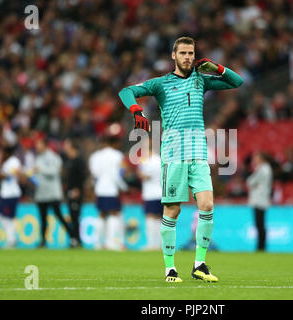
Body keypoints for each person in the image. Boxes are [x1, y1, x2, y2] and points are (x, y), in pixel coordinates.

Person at [119, 36, 243, 282]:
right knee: (173, 210)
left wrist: (217, 68)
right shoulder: (161, 84)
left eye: (191, 53)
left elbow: (236, 81)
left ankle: (200, 265)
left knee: (207, 205)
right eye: (183, 53)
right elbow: (127, 91)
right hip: (174, 154)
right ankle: (170, 269)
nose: (188, 57)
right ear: (173, 56)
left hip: (198, 154)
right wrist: (136, 111)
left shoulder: (201, 81)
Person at [33, 137, 76, 248]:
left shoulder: (53, 157)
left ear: (45, 145)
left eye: (39, 144)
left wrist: (40, 169)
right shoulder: (38, 158)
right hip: (41, 193)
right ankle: (43, 241)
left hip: (52, 193)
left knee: (59, 216)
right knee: (42, 218)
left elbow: (54, 172)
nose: (36, 146)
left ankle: (73, 237)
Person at [89, 135, 128, 250]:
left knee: (101, 214)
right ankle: (111, 242)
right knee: (113, 214)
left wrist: (95, 187)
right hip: (112, 189)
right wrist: (124, 187)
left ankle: (97, 243)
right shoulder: (117, 156)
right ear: (114, 144)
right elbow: (117, 175)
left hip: (100, 189)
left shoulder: (95, 156)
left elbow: (94, 175)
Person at [136, 137, 163, 250]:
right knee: (160, 219)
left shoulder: (146, 161)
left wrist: (139, 173)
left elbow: (145, 176)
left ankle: (151, 244)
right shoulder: (160, 159)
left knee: (150, 218)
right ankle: (160, 245)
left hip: (150, 193)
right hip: (161, 193)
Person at [0, 145, 23, 248]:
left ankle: (11, 239)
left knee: (7, 217)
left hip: (11, 193)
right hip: (5, 193)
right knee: (3, 216)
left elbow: (18, 172)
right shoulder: (7, 162)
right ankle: (12, 238)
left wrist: (16, 173)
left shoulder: (13, 161)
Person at [246, 152, 273, 251]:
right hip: (260, 200)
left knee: (260, 225)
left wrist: (252, 182)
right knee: (259, 225)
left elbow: (250, 181)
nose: (254, 160)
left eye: (256, 158)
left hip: (260, 200)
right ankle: (261, 246)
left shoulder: (263, 169)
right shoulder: (264, 169)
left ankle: (261, 247)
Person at [63, 139, 87, 247]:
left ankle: (77, 240)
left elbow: (83, 176)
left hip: (76, 192)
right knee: (72, 217)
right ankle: (75, 239)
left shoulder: (79, 161)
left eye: (66, 145)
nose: (64, 147)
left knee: (75, 217)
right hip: (69, 192)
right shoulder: (70, 160)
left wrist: (77, 189)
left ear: (72, 147)